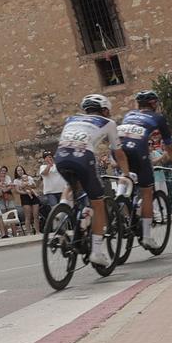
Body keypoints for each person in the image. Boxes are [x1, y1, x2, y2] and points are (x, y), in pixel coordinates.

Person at [52, 94, 129, 253]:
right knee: (98, 201)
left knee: (72, 185)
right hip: (83, 158)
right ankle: (97, 252)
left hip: (60, 156)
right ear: (105, 110)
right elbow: (119, 153)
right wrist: (126, 174)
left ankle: (63, 209)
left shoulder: (71, 119)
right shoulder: (109, 122)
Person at [117, 90, 172, 241]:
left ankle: (119, 199)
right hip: (137, 150)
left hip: (117, 150)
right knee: (147, 192)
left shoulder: (128, 115)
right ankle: (147, 237)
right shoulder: (158, 117)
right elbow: (169, 146)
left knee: (126, 175)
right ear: (153, 103)